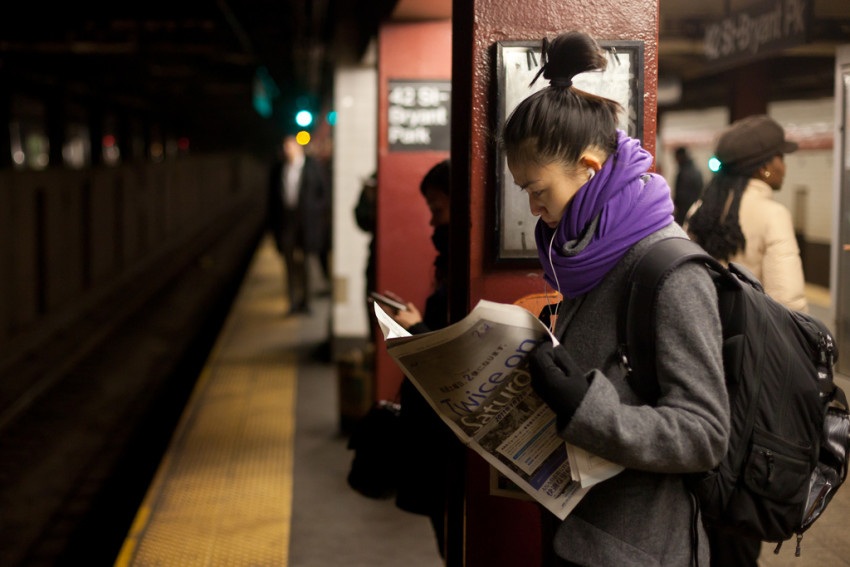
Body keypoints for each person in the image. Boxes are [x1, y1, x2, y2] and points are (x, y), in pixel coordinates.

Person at [500, 31, 730, 566]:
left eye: (539, 190)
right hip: (576, 532)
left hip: (637, 549)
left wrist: (586, 407)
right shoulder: (589, 254)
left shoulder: (670, 271)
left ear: (590, 168)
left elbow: (704, 433)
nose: (534, 208)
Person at [376, 159, 458, 558]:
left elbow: (455, 356)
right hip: (439, 430)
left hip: (447, 435)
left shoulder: (462, 268)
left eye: (438, 211)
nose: (432, 225)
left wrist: (417, 329)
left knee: (452, 540)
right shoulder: (453, 263)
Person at [686, 114, 807, 313]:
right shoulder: (773, 215)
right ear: (764, 168)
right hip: (748, 339)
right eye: (781, 158)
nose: (784, 167)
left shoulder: (699, 210)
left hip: (702, 330)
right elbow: (788, 302)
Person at [267, 134, 330, 315]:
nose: (287, 150)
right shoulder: (279, 169)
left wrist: (316, 212)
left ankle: (306, 301)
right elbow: (272, 199)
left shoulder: (312, 166)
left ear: (297, 147)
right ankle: (292, 301)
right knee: (289, 262)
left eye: (290, 147)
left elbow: (324, 194)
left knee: (307, 263)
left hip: (308, 223)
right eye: (285, 147)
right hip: (287, 220)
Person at [672, 146, 703, 225]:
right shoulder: (696, 170)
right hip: (694, 209)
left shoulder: (684, 172)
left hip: (684, 210)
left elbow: (681, 195)